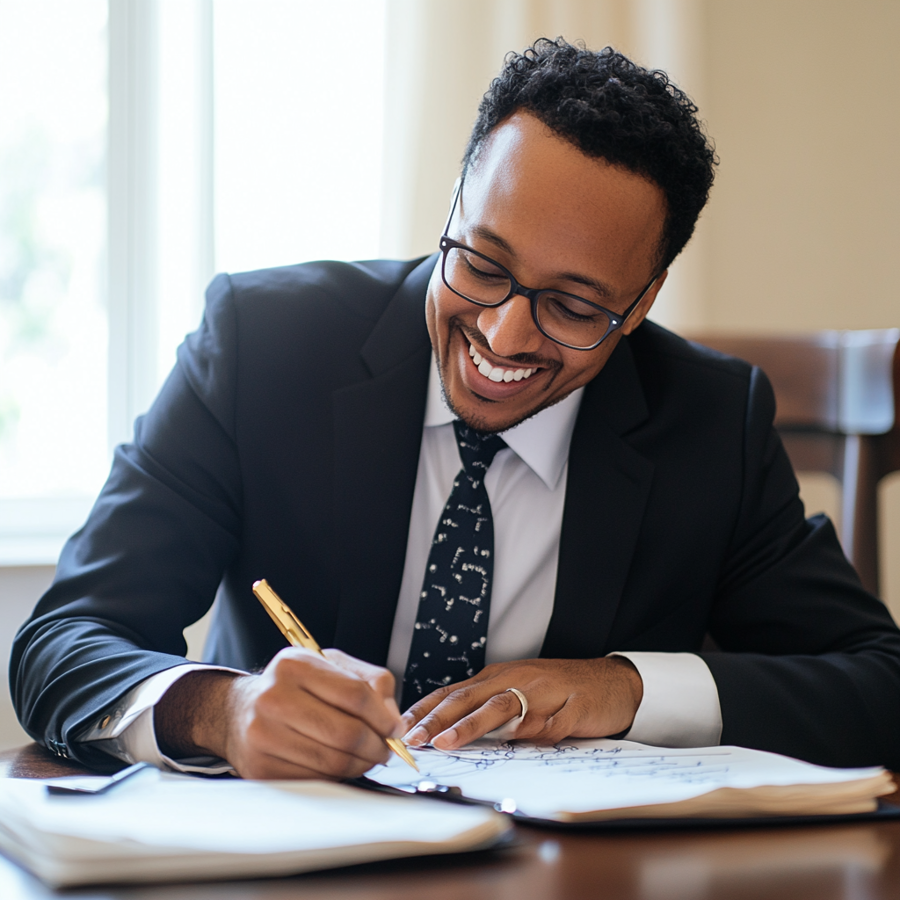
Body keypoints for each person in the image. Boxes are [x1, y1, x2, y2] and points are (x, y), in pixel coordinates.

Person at [12, 39, 900, 780]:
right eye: (481, 262)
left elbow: (880, 684)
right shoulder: (263, 346)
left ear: (641, 303)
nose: (504, 334)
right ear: (455, 205)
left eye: (576, 307)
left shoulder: (712, 424)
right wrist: (221, 710)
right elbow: (62, 641)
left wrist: (623, 688)